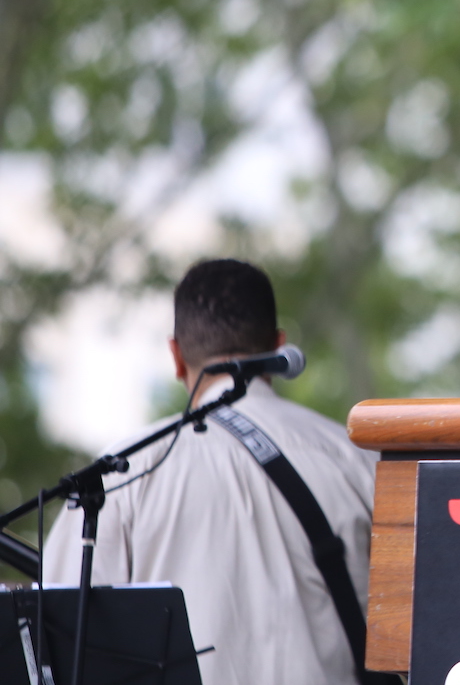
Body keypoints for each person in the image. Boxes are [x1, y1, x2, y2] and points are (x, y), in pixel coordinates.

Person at [43, 259, 379, 685]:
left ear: (176, 355)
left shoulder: (121, 470)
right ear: (278, 347)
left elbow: (57, 636)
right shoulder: (359, 459)